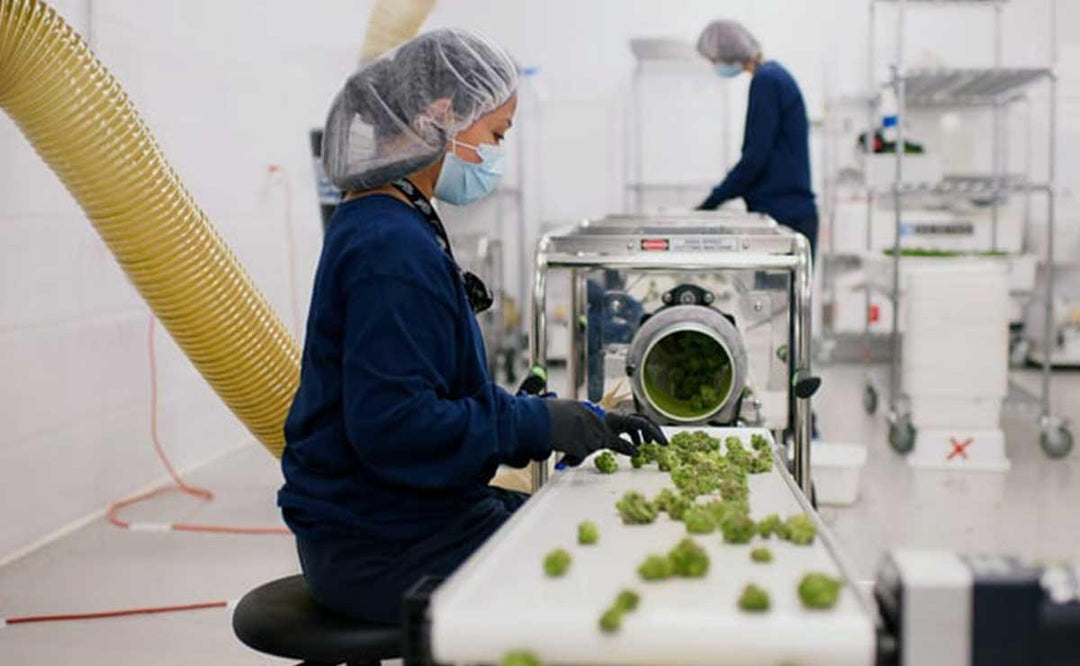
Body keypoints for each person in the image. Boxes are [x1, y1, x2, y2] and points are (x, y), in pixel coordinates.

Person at [278, 29, 667, 625]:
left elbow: (423, 386)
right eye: (494, 135)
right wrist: (536, 421)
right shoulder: (389, 246)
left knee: (572, 522)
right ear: (443, 116)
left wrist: (541, 416)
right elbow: (395, 426)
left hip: (396, 519)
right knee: (602, 571)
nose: (494, 153)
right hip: (384, 547)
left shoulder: (390, 216)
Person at [695, 20, 818, 256]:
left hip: (784, 215)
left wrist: (710, 203)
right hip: (791, 212)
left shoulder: (766, 81)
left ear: (728, 54)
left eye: (713, 59)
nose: (713, 65)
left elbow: (754, 157)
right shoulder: (775, 76)